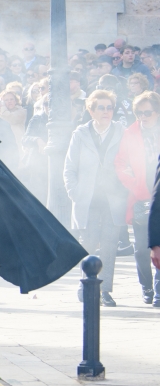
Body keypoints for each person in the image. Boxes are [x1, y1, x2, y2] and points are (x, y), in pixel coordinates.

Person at [64, 89, 127, 307]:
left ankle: (105, 291)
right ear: (91, 110)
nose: (106, 111)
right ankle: (85, 285)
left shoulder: (121, 131)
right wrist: (75, 193)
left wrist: (125, 190)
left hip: (113, 198)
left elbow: (130, 163)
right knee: (88, 244)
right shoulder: (80, 134)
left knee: (110, 245)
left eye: (109, 107)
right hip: (88, 199)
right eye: (101, 107)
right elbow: (69, 168)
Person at [115, 91, 160, 305]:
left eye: (148, 112)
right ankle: (147, 287)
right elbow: (121, 163)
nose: (143, 116)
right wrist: (135, 185)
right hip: (141, 196)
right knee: (141, 248)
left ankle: (159, 290)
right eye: (139, 112)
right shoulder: (130, 132)